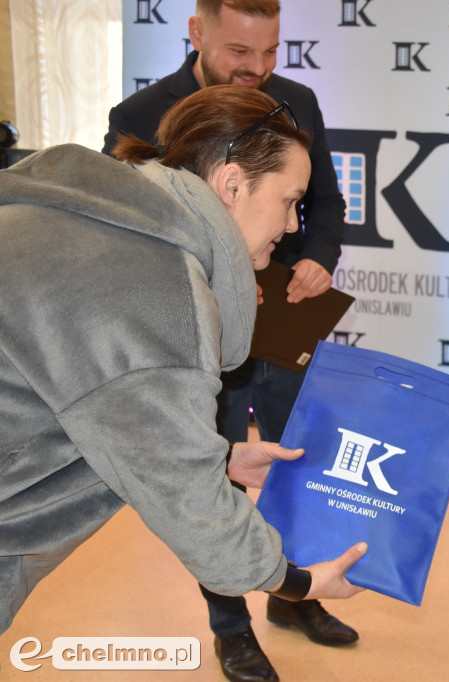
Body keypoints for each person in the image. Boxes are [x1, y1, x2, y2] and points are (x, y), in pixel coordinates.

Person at [0, 85, 366, 638]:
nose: (294, 226)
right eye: (290, 201)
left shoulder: (99, 225)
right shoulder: (157, 289)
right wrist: (296, 581)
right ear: (232, 183)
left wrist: (219, 458)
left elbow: (111, 416)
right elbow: (189, 504)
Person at [102, 2, 352, 678]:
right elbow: (125, 242)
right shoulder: (143, 116)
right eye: (242, 52)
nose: (259, 69)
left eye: (271, 52)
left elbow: (327, 205)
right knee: (210, 473)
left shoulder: (296, 102)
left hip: (286, 324)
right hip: (199, 338)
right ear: (197, 33)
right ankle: (232, 628)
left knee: (291, 461)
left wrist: (318, 255)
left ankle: (294, 595)